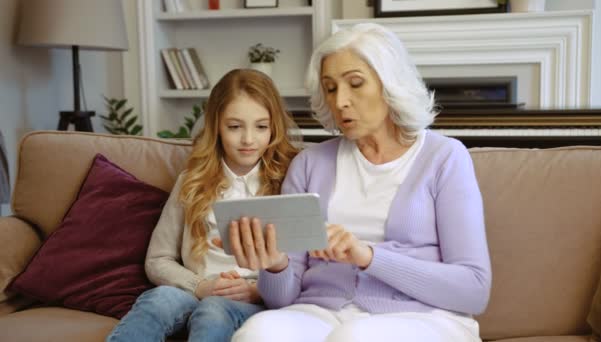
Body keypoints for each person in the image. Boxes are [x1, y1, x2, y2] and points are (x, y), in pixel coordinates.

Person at [228, 23, 492, 342]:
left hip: (422, 316)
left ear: (390, 83)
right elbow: (283, 299)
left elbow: (474, 289)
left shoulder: (444, 157)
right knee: (258, 332)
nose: (340, 102)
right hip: (321, 312)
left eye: (355, 83)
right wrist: (274, 266)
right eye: (330, 88)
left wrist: (366, 255)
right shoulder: (309, 164)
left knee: (353, 338)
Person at [106, 69, 300, 342]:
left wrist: (256, 290)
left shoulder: (290, 181)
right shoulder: (192, 181)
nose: (248, 139)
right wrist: (200, 286)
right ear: (217, 127)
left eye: (261, 126)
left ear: (274, 127)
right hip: (194, 289)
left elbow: (300, 267)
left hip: (251, 298)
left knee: (213, 311)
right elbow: (157, 260)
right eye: (234, 127)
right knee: (158, 300)